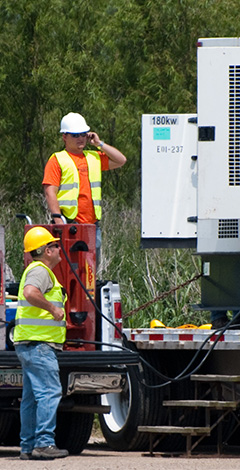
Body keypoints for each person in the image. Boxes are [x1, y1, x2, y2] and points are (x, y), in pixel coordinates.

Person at [14, 226, 69, 460]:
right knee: (49, 392)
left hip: (28, 343)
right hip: (39, 345)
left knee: (31, 397)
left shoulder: (35, 269)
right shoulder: (40, 271)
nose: (59, 249)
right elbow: (30, 293)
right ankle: (44, 443)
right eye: (56, 245)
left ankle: (27, 446)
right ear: (47, 250)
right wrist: (53, 308)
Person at [42, 112, 127, 259]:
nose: (80, 138)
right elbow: (50, 192)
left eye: (83, 134)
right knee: (70, 267)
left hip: (92, 226)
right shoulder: (57, 159)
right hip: (69, 223)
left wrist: (99, 144)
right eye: (75, 135)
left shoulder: (93, 157)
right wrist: (58, 220)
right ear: (64, 137)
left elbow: (121, 160)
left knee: (90, 271)